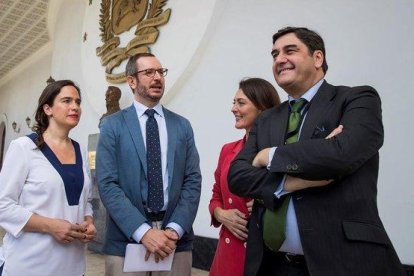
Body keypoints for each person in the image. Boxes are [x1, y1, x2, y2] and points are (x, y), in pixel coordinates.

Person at [228, 27, 405, 276]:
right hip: (272, 266)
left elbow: (341, 155)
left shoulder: (357, 99)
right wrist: (291, 182)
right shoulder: (266, 119)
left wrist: (268, 156)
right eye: (274, 54)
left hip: (344, 263)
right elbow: (237, 176)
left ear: (318, 58)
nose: (279, 59)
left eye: (290, 51)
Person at [96, 53, 201, 276]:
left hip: (176, 240)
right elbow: (107, 183)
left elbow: (192, 180)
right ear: (131, 81)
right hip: (126, 238)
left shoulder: (182, 126)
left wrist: (174, 229)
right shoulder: (112, 126)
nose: (157, 78)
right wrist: (142, 231)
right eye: (149, 72)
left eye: (160, 72)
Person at [0, 80, 96, 276]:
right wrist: (51, 226)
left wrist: (89, 221)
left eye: (78, 102)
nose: (75, 107)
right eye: (67, 101)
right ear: (48, 109)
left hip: (72, 266)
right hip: (29, 264)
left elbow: (85, 201)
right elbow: (3, 205)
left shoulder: (80, 150)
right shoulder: (24, 147)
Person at [208, 78, 280, 276]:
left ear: (262, 108)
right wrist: (220, 214)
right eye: (234, 102)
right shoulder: (228, 150)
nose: (233, 108)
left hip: (262, 256)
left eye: (241, 103)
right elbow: (216, 195)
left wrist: (265, 203)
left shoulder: (280, 153)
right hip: (227, 253)